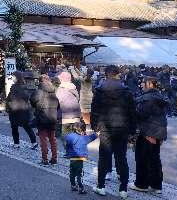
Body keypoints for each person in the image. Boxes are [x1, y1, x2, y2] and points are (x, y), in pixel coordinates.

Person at [91, 65, 137, 198]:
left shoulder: (99, 90)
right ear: (117, 75)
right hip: (122, 128)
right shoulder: (126, 91)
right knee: (121, 158)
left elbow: (94, 110)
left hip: (106, 128)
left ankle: (100, 186)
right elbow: (132, 112)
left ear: (106, 75)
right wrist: (132, 130)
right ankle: (123, 189)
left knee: (104, 158)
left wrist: (95, 127)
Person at [130, 76, 168, 194]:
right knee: (155, 159)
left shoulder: (146, 99)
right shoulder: (161, 96)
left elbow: (141, 115)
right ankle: (156, 185)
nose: (141, 85)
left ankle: (142, 184)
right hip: (159, 132)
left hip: (147, 132)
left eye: (143, 83)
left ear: (150, 84)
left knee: (142, 159)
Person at [31, 74, 60, 166]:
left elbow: (32, 101)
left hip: (42, 118)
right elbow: (58, 106)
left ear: (40, 82)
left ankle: (45, 159)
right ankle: (54, 158)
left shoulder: (38, 91)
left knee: (43, 139)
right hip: (52, 118)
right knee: (52, 139)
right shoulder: (53, 92)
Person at [5, 71, 38, 149]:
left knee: (14, 127)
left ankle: (16, 143)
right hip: (24, 109)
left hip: (15, 109)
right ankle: (34, 142)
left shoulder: (14, 87)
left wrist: (8, 105)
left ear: (17, 77)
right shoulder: (25, 87)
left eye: (13, 77)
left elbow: (10, 98)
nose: (12, 78)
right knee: (27, 126)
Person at [64, 122, 98, 194]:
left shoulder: (70, 136)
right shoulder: (84, 138)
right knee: (79, 174)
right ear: (83, 131)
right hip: (79, 159)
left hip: (72, 159)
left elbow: (66, 143)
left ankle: (73, 186)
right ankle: (81, 188)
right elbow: (92, 137)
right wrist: (97, 133)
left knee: (72, 173)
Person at [56, 71, 82, 140]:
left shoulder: (61, 89)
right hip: (76, 115)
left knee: (66, 137)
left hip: (66, 116)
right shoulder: (73, 88)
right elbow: (77, 98)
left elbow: (57, 103)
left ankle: (69, 150)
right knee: (76, 135)